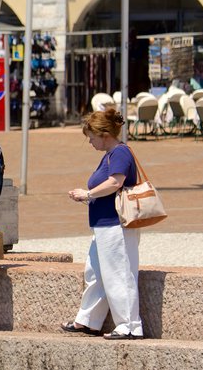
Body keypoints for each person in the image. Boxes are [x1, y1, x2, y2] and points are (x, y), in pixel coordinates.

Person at [61, 108, 144, 340]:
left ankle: (129, 326)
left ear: (104, 134)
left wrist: (87, 194)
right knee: (96, 273)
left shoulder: (120, 153)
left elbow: (115, 182)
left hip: (115, 225)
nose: (90, 142)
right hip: (103, 224)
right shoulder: (111, 154)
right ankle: (88, 321)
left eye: (91, 137)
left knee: (119, 274)